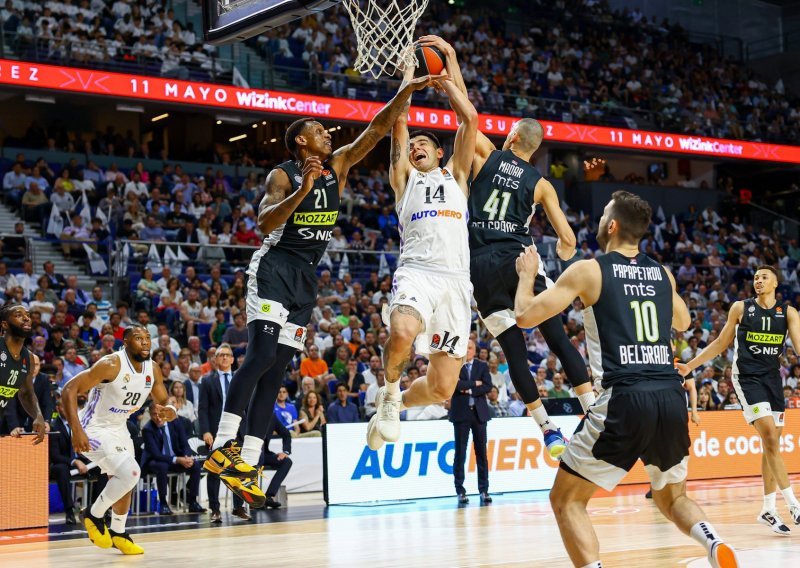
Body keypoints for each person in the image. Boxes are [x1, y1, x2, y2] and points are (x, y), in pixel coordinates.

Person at [203, 73, 439, 507]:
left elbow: (377, 130)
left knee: (275, 373)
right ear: (300, 143)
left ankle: (248, 463)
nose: (326, 134)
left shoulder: (340, 165)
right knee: (259, 355)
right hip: (275, 266)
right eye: (317, 131)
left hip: (306, 278)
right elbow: (264, 224)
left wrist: (407, 90)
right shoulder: (284, 174)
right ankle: (222, 447)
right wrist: (304, 192)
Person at [514, 191, 738, 568]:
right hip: (669, 397)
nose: (600, 219)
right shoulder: (662, 273)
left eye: (603, 214)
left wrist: (526, 277)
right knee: (672, 497)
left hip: (624, 395)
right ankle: (714, 544)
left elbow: (524, 317)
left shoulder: (590, 269)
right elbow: (683, 322)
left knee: (566, 500)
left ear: (612, 225)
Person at [418, 35, 593, 457]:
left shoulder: (489, 156)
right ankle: (593, 410)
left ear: (512, 137)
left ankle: (547, 429)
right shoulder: (542, 184)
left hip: (479, 263)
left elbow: (467, 116)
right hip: (521, 260)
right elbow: (568, 241)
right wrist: (564, 258)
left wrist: (452, 63)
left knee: (513, 348)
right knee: (557, 337)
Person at [367, 54, 478, 450]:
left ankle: (389, 402)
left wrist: (446, 80)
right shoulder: (404, 181)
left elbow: (471, 121)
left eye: (423, 144)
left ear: (437, 153)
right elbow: (398, 120)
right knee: (401, 332)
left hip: (454, 284)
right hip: (416, 271)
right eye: (412, 145)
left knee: (441, 388)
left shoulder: (457, 176)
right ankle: (392, 392)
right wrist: (410, 78)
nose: (415, 147)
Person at [679, 265, 800, 534]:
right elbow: (721, 343)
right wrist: (691, 366)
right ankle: (794, 504)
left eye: (764, 277)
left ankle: (768, 508)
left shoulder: (788, 312)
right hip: (747, 378)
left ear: (776, 283)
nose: (758, 281)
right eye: (756, 277)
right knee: (769, 436)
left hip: (772, 380)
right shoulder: (741, 308)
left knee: (772, 445)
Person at [61, 324, 174, 556]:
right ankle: (93, 513)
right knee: (131, 472)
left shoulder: (152, 368)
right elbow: (69, 389)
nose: (144, 342)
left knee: (125, 480)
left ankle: (119, 533)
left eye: (147, 338)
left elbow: (163, 398)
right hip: (92, 427)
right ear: (125, 342)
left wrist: (170, 409)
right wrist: (76, 429)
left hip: (119, 427)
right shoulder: (111, 364)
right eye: (138, 338)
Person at [197, 343, 246, 522]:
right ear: (215, 359)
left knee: (238, 470)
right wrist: (206, 431)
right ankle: (215, 510)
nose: (225, 357)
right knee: (215, 472)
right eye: (221, 355)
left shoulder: (240, 379)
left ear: (232, 359)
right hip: (216, 433)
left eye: (228, 355)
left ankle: (238, 507)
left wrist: (246, 432)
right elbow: (202, 409)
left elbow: (246, 407)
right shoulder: (207, 380)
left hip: (237, 431)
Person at [141, 403, 205, 515]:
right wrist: (178, 459)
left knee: (195, 465)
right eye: (154, 414)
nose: (157, 417)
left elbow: (185, 444)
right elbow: (156, 454)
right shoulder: (148, 429)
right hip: (154, 461)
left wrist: (186, 457)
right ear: (150, 415)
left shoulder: (175, 423)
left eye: (159, 413)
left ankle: (193, 502)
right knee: (162, 466)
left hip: (176, 459)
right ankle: (163, 503)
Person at [449, 340, 492, 504]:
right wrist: (475, 384)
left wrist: (467, 389)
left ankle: (484, 490)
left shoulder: (482, 366)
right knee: (460, 453)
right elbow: (454, 385)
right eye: (465, 348)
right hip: (461, 414)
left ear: (474, 350)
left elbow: (488, 385)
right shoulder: (454, 365)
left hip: (479, 414)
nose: (467, 350)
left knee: (482, 453)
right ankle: (460, 491)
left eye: (470, 348)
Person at [0, 305, 46, 443]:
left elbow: (26, 392)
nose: (26, 318)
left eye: (27, 315)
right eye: (19, 315)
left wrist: (38, 415)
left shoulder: (28, 358)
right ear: (5, 324)